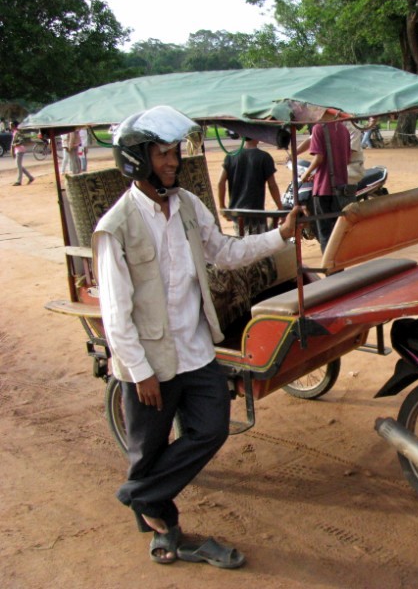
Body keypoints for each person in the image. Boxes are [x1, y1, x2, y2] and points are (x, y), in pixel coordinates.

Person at [93, 105, 299, 567]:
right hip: (150, 360)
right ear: (137, 160)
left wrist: (280, 236)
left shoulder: (186, 204)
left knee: (212, 428)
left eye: (173, 154)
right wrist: (140, 371)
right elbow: (115, 311)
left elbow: (224, 252)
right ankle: (162, 528)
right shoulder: (116, 226)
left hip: (196, 347)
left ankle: (136, 495)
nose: (172, 162)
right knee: (149, 448)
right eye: (162, 154)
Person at [298, 116, 351, 253]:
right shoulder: (343, 129)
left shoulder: (319, 128)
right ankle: (339, 268)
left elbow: (319, 158)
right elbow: (347, 159)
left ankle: (330, 269)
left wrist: (306, 174)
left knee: (325, 233)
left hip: (323, 190)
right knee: (337, 232)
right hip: (341, 187)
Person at [217, 137, 281, 235]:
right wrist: (280, 207)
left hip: (237, 215)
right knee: (257, 247)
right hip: (256, 216)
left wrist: (222, 206)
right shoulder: (264, 157)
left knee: (241, 242)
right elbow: (272, 185)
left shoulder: (231, 156)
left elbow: (221, 182)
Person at [10, 121, 34, 186]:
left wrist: (15, 145)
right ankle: (30, 177)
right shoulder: (15, 132)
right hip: (17, 150)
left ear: (14, 126)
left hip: (20, 150)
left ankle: (19, 181)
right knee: (19, 166)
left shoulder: (18, 132)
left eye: (11, 125)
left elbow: (21, 141)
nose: (10, 126)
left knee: (18, 166)